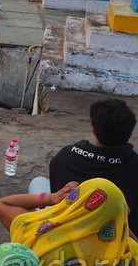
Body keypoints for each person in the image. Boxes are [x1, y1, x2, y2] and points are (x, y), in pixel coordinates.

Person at [0, 178, 137, 266]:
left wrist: (52, 198)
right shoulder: (129, 256)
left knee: (39, 181)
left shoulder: (38, 234)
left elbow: (2, 204)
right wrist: (119, 220)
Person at [32, 99, 138, 235]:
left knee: (38, 182)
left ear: (93, 129)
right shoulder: (134, 164)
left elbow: (56, 194)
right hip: (115, 234)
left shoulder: (66, 156)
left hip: (67, 229)